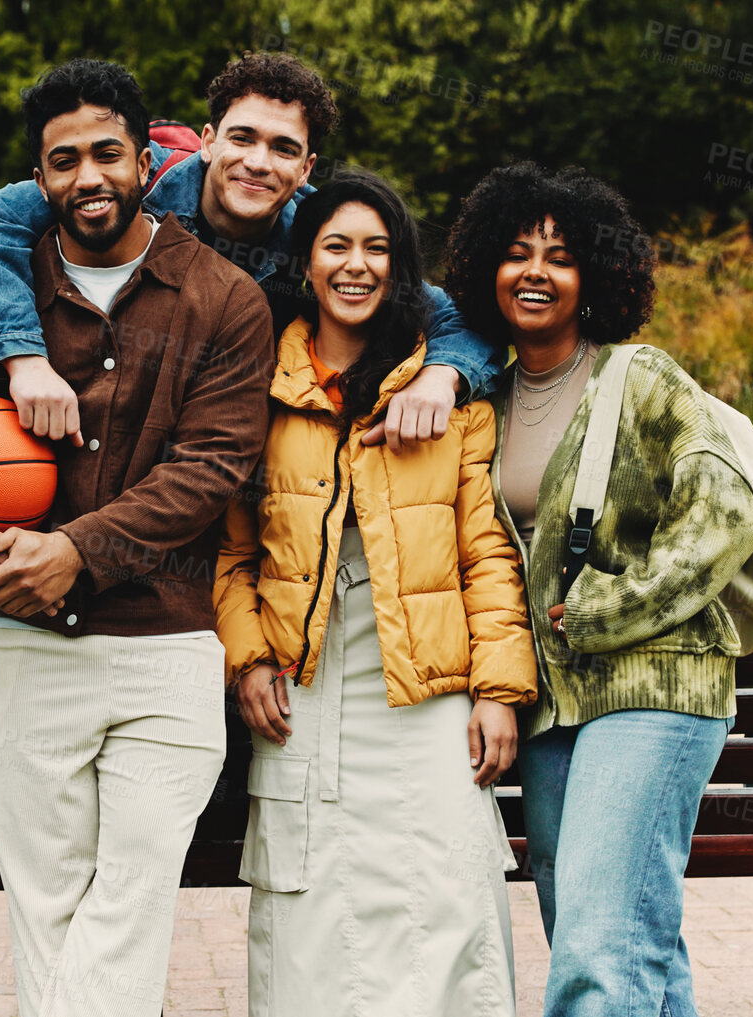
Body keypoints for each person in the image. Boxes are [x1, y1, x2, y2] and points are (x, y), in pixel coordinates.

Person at [0, 60, 274, 1017]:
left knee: (129, 894)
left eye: (106, 154)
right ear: (38, 178)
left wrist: (76, 548)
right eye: (64, 160)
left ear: (148, 160)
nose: (88, 176)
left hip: (166, 642)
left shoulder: (224, 300)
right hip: (20, 639)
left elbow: (210, 467)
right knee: (46, 900)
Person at [442, 161, 753, 1017]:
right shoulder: (489, 402)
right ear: (485, 271)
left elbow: (724, 514)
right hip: (552, 707)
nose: (536, 272)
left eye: (561, 256)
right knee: (619, 935)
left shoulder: (641, 378)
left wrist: (605, 608)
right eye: (515, 254)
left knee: (596, 943)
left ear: (597, 276)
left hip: (655, 684)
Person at [213, 169, 537, 1016]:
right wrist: (246, 658)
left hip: (428, 684)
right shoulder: (256, 391)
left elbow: (486, 554)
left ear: (400, 269)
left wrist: (498, 690)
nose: (355, 266)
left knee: (445, 893)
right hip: (302, 682)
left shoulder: (448, 394)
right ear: (306, 262)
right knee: (306, 901)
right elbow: (231, 551)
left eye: (377, 250)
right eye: (335, 247)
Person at [0, 50, 504, 451]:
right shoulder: (127, 180)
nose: (258, 162)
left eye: (284, 149)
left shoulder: (319, 236)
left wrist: (441, 377)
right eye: (243, 138)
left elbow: (456, 314)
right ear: (208, 142)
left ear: (306, 168)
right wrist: (23, 358)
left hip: (237, 461)